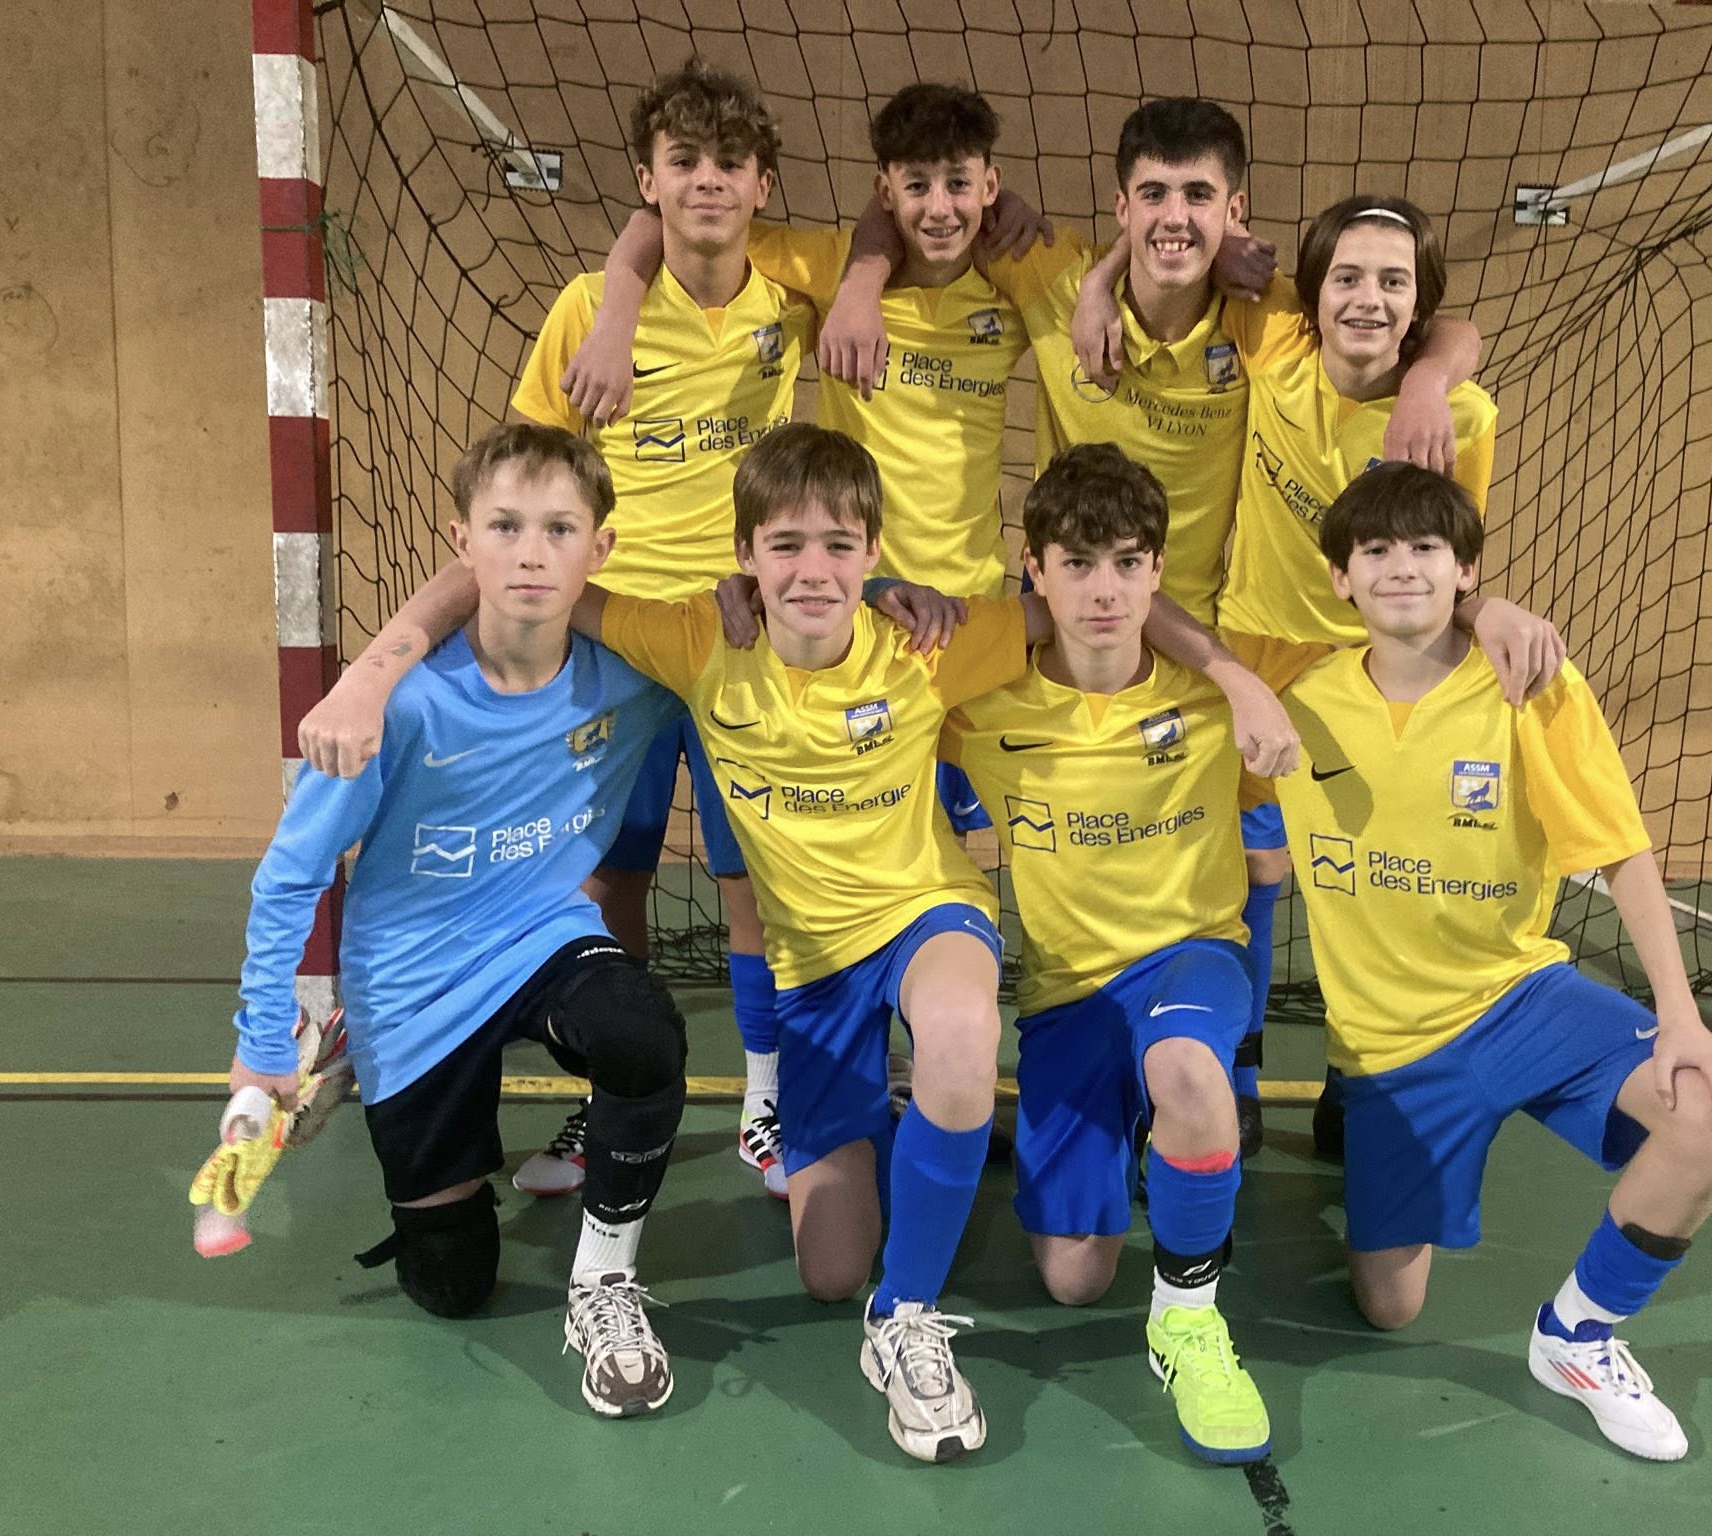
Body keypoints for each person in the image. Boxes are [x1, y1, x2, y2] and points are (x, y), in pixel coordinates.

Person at [590, 422, 1300, 1463]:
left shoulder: (925, 648)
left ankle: (906, 1319)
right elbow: (543, 588)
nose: (812, 569)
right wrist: (378, 672)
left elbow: (1102, 603)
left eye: (840, 547)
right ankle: (916, 1132)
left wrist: (1234, 675)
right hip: (813, 969)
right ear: (743, 555)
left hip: (929, 915)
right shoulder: (699, 642)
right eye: (784, 546)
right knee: (829, 1268)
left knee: (964, 1032)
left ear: (873, 550)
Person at [303, 59, 811, 1200]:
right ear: (647, 178)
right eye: (683, 162)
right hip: (608, 645)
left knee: (751, 886)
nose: (708, 181)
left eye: (730, 163)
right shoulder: (584, 311)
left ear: (762, 183)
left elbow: (877, 251)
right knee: (607, 879)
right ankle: (604, 1097)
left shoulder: (792, 296)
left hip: (732, 638)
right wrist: (378, 665)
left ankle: (765, 1101)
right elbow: (523, 490)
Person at [964, 99, 1486, 1147]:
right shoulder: (1081, 287)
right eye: (1152, 195)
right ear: (1119, 208)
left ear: (1234, 211)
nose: (1175, 215)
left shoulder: (1269, 322)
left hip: (1264, 643)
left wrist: (1430, 375)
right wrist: (1096, 281)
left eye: (1198, 196)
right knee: (1202, 861)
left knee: (1346, 861)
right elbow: (934, 213)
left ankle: (1352, 1067)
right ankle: (1170, 1065)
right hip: (1161, 637)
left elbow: (1433, 323)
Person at [1270, 463, 1712, 1461]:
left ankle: (1576, 1334)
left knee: (1710, 1112)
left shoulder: (1530, 685)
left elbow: (1619, 848)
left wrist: (1681, 1018)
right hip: (1391, 1051)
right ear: (1338, 580)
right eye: (1375, 550)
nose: (1400, 568)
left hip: (1519, 999)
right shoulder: (1296, 698)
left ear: (1465, 570)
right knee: (1390, 1307)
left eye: (1426, 549)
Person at [225, 423, 693, 1418]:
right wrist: (261, 1040)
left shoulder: (637, 679)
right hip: (413, 978)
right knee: (451, 1286)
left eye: (560, 529)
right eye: (505, 526)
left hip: (541, 936)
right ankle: (354, 1054)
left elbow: (783, 633)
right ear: (461, 542)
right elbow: (289, 877)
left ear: (599, 549)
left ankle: (603, 1283)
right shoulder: (397, 708)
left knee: (640, 1032)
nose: (531, 554)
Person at [941, 444, 1328, 1463]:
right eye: (1076, 564)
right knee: (1072, 1277)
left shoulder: (1217, 682)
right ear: (1034, 569)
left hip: (1190, 955)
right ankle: (1128, 1137)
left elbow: (1383, 621)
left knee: (1191, 1070)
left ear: (1158, 570)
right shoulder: (981, 702)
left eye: (1125, 562)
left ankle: (1187, 1322)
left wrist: (1485, 612)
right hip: (1066, 994)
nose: (1103, 591)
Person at [562, 81, 1046, 840]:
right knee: (801, 833)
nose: (939, 207)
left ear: (988, 187)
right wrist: (618, 312)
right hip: (847, 610)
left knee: (933, 833)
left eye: (960, 184)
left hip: (961, 609)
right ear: (885, 191)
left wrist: (981, 218)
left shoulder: (1008, 283)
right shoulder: (821, 273)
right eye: (916, 186)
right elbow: (675, 223)